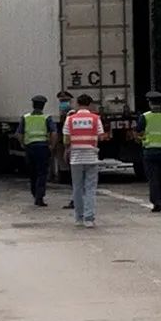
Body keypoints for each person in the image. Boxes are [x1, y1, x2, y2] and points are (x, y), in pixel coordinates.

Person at [63, 94, 105, 227]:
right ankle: (89, 219)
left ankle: (79, 218)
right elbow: (101, 136)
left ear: (77, 103)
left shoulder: (70, 119)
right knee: (90, 189)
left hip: (75, 158)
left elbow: (66, 139)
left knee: (77, 188)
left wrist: (67, 150)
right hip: (91, 157)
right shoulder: (95, 119)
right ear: (90, 104)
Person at [17, 95, 57, 207]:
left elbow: (19, 133)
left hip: (30, 147)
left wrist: (22, 144)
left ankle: (35, 193)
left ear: (33, 105)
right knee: (42, 172)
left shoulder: (25, 117)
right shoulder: (47, 118)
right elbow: (53, 133)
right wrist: (52, 146)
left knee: (32, 172)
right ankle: (39, 196)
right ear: (43, 106)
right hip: (43, 147)